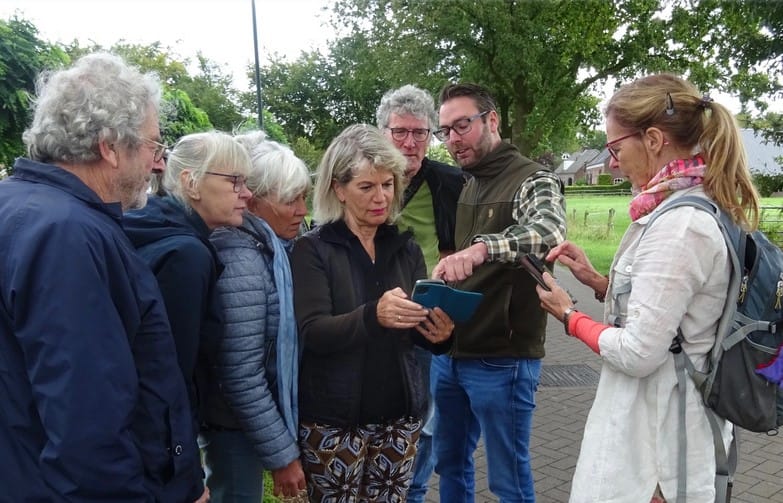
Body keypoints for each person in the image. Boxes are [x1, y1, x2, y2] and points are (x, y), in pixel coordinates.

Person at [534, 73, 759, 503]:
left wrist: (568, 315)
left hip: (659, 449)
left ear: (654, 139)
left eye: (616, 148)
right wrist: (600, 283)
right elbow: (677, 313)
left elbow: (639, 352)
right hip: (667, 429)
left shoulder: (679, 225)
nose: (613, 162)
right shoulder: (694, 205)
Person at [0, 52, 204, 501]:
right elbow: (87, 420)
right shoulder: (67, 234)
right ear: (110, 147)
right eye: (153, 146)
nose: (157, 164)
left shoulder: (17, 208)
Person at [290, 124, 456, 502]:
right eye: (366, 187)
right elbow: (313, 332)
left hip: (399, 415)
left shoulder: (405, 246)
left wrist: (440, 334)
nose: (381, 197)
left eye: (388, 184)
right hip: (335, 421)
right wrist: (372, 316)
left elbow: (414, 330)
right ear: (338, 189)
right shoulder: (312, 250)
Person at [429, 82, 567, 502]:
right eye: (446, 130)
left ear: (492, 120)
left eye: (462, 125)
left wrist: (484, 247)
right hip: (453, 353)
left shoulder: (533, 178)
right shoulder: (470, 183)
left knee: (508, 480)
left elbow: (548, 231)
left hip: (503, 358)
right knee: (449, 463)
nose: (453, 139)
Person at [123, 130, 253, 497]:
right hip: (155, 447)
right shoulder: (186, 257)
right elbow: (171, 375)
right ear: (190, 182)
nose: (246, 193)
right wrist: (186, 472)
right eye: (235, 181)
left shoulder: (147, 223)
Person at [203, 131, 310, 502]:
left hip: (244, 423)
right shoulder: (241, 260)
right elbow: (240, 374)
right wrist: (282, 456)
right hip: (234, 425)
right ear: (255, 200)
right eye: (290, 200)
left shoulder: (272, 249)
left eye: (303, 197)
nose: (302, 210)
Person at [376, 84, 465, 502]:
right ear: (383, 132)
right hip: (371, 318)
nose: (410, 143)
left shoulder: (449, 181)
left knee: (426, 420)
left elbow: (460, 244)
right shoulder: (365, 178)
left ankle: (412, 493)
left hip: (426, 319)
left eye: (420, 133)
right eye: (400, 132)